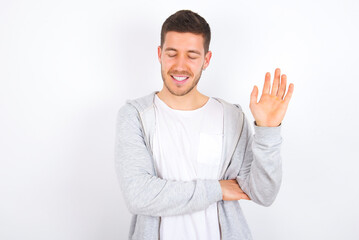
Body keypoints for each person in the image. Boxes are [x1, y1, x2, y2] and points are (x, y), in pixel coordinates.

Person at [114, 9, 294, 240]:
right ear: (159, 54)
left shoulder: (231, 117)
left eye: (191, 55)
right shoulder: (135, 115)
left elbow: (263, 194)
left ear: (206, 60)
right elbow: (138, 195)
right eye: (172, 53)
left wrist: (267, 130)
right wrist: (217, 189)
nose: (180, 66)